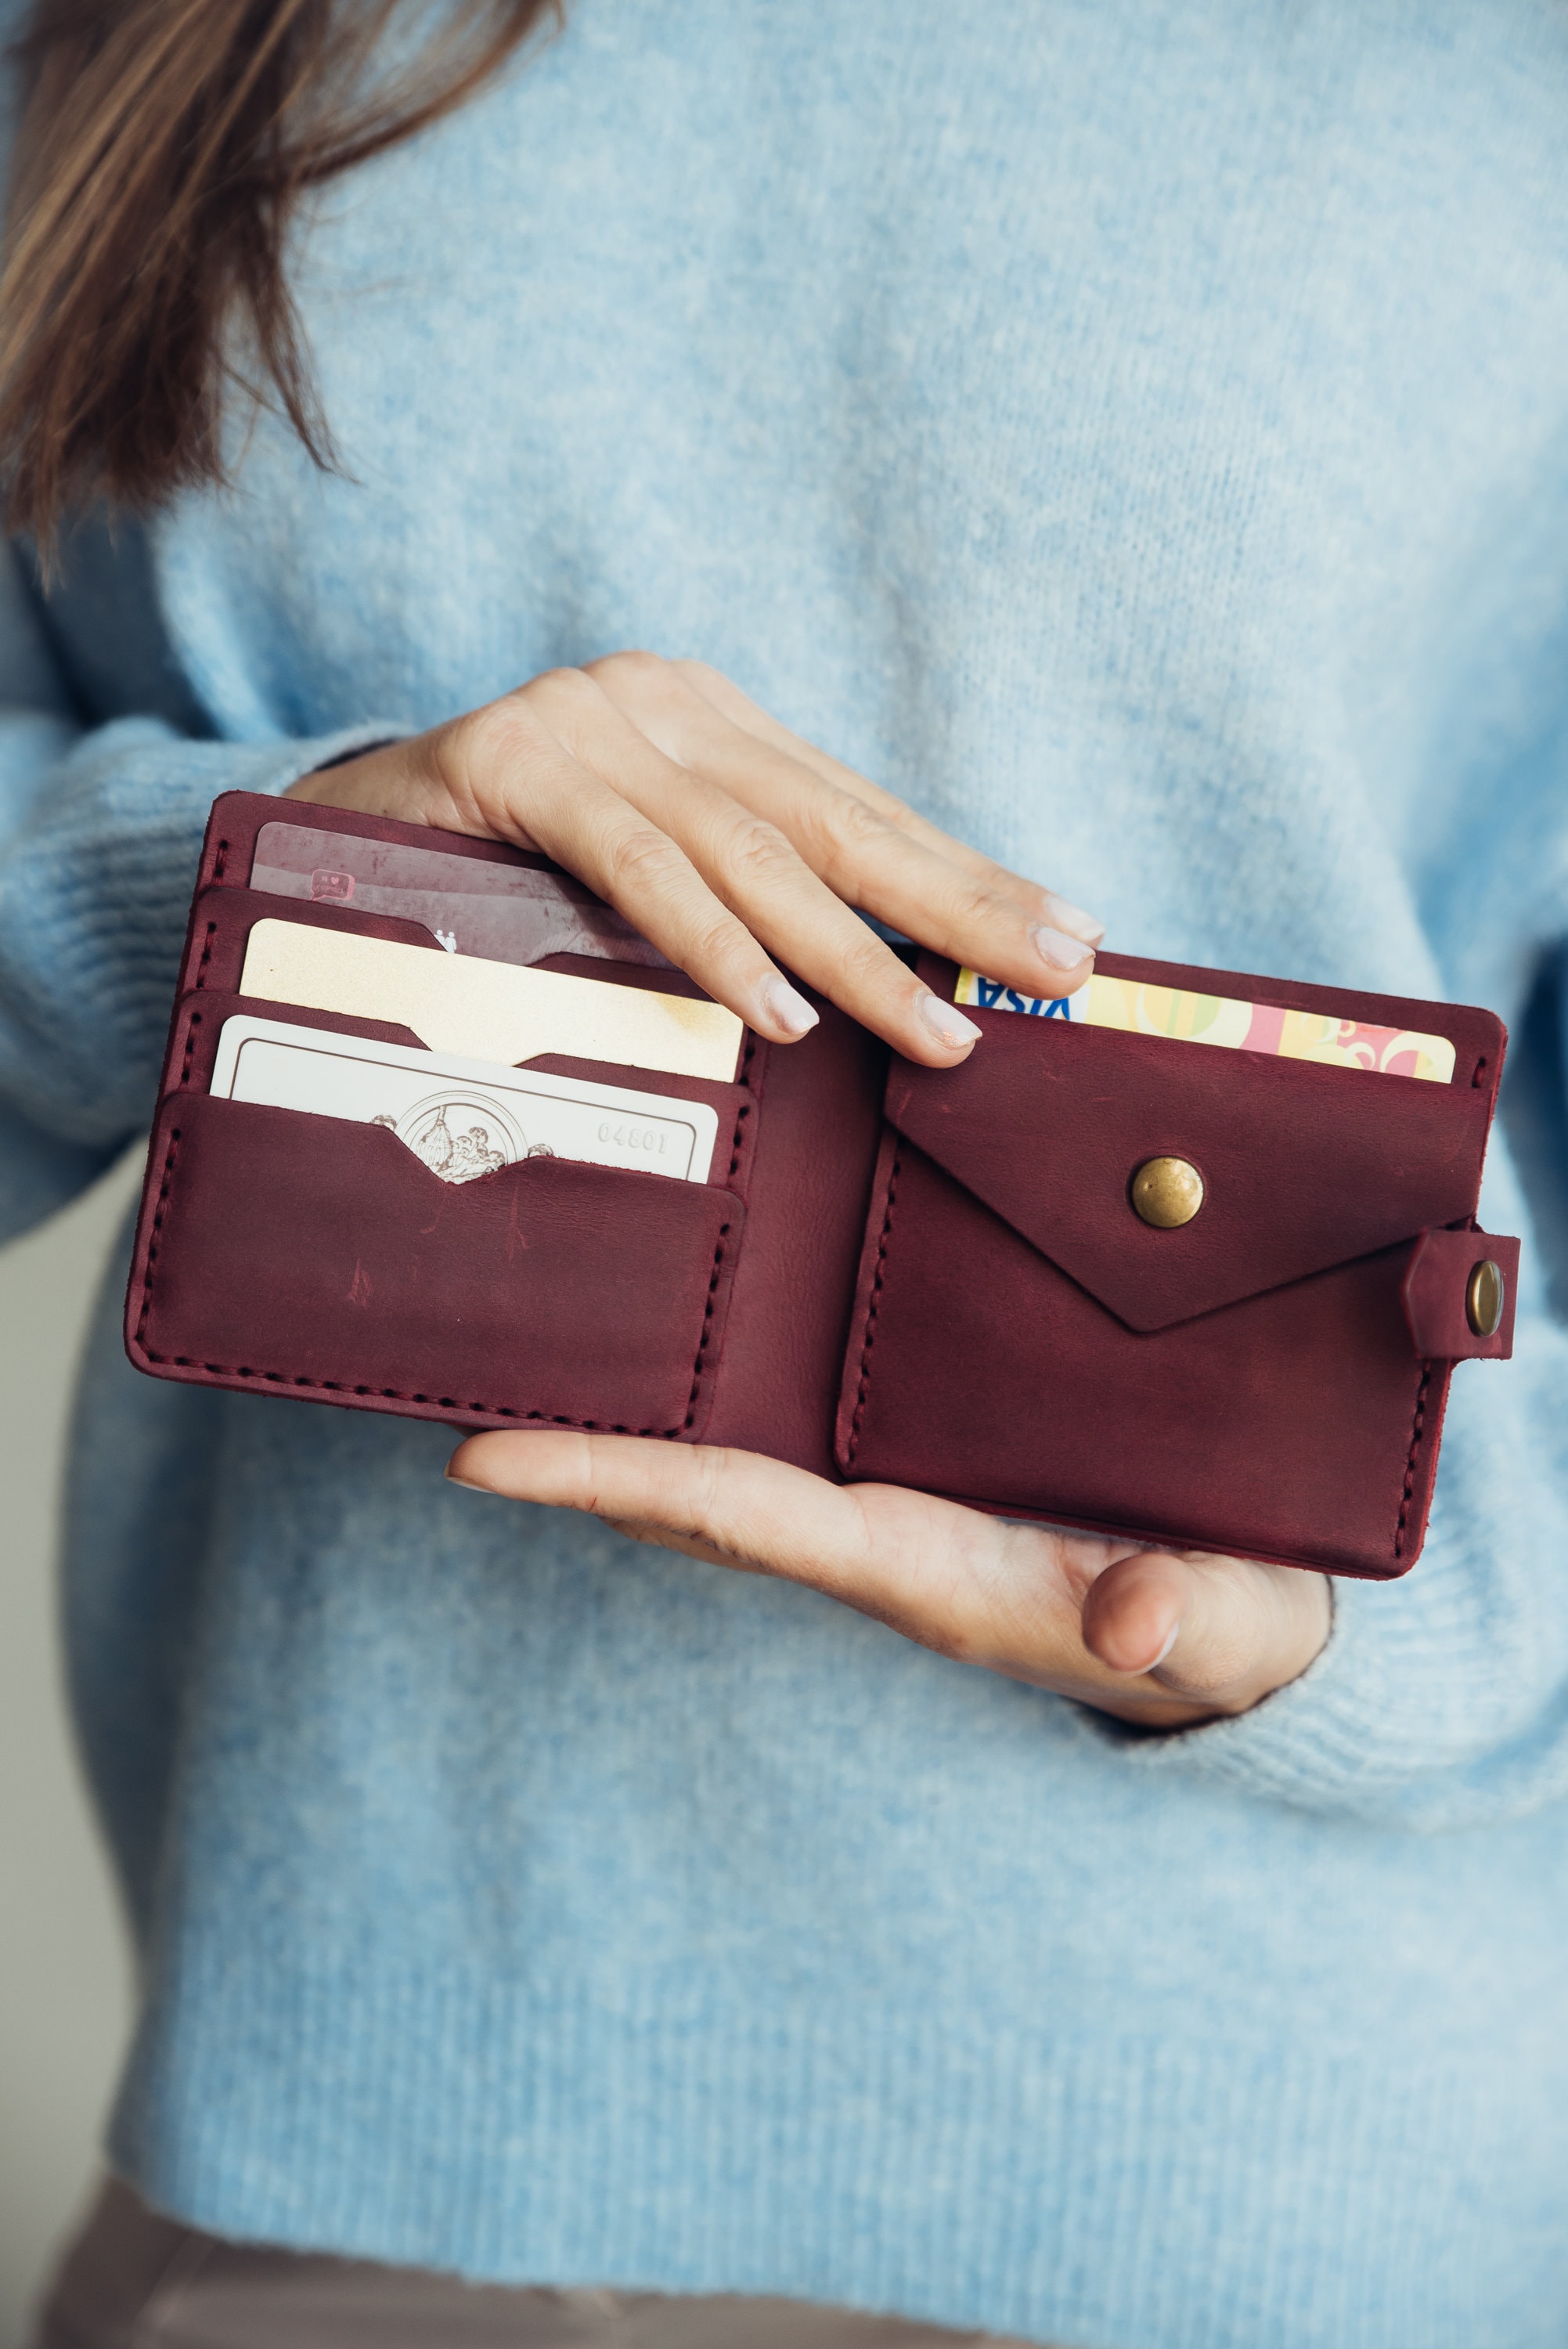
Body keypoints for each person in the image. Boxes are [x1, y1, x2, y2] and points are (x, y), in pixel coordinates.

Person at [2, 2, 1566, 2343]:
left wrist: (1342, 1626)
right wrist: (250, 896)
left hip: (1292, 2188)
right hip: (352, 2161)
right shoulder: (140, 36)